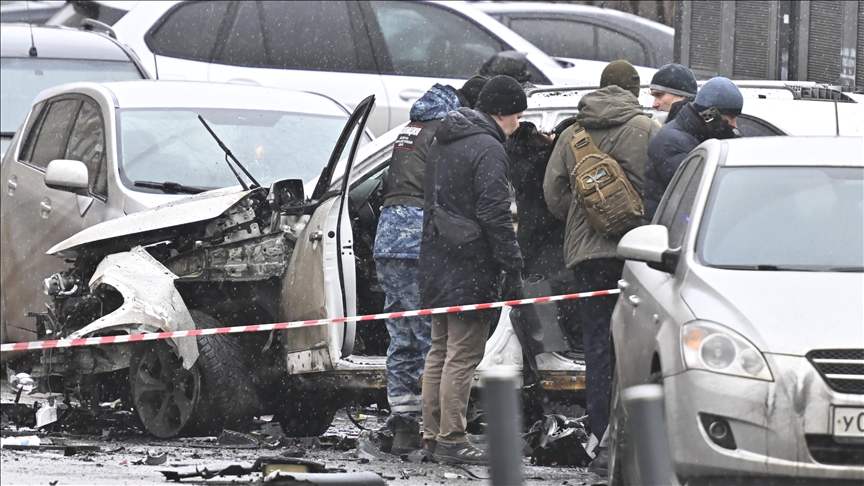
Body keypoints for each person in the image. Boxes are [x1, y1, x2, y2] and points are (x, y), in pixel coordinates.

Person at [543, 60, 660, 475]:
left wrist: (583, 217)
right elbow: (661, 184)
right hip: (637, 251)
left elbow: (552, 191)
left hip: (587, 257)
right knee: (637, 345)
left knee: (596, 344)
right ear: (633, 90)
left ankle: (597, 434)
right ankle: (629, 435)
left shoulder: (574, 132)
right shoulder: (646, 129)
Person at [373, 76, 488, 455]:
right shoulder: (447, 130)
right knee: (431, 339)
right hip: (418, 235)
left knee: (402, 337)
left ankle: (403, 424)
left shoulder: (412, 126)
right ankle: (432, 430)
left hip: (388, 237)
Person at [419, 75, 526, 465]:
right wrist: (512, 268)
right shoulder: (489, 148)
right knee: (463, 355)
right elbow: (495, 214)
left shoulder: (443, 141)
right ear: (502, 113)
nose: (518, 124)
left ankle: (431, 435)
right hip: (470, 263)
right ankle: (453, 438)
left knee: (440, 351)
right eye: (516, 115)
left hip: (437, 258)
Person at [643, 76, 743, 221]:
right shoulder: (672, 143)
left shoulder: (699, 134)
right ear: (710, 115)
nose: (734, 125)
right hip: (670, 234)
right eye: (730, 118)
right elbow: (701, 195)